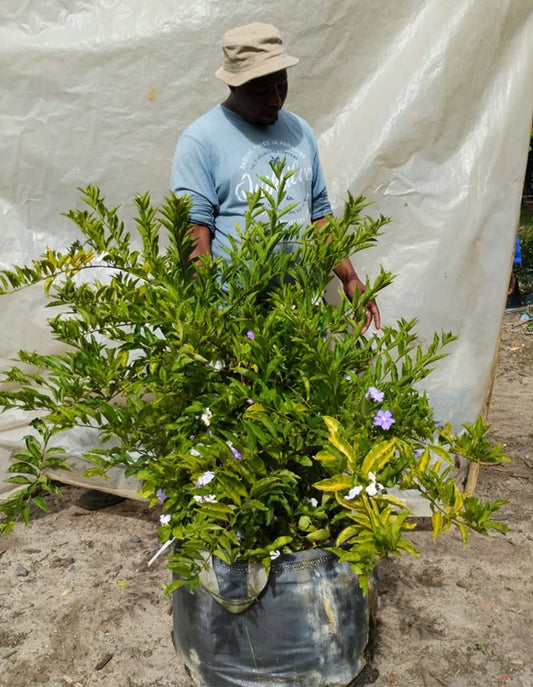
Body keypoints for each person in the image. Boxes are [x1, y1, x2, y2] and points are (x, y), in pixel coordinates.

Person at [171, 22, 380, 332]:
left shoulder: (300, 132)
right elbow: (196, 233)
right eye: (260, 90)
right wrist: (205, 310)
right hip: (237, 316)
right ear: (234, 85)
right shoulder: (201, 140)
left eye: (280, 84)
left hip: (301, 311)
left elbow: (318, 216)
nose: (275, 99)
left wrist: (349, 277)